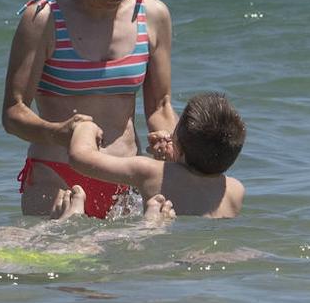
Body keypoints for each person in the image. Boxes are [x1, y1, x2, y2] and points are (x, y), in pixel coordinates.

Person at [2, 0, 176, 218]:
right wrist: (60, 132)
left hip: (127, 177)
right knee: (66, 268)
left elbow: (161, 106)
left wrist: (165, 135)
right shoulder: (44, 17)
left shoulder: (153, 15)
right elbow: (13, 113)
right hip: (57, 177)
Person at [67, 91, 246, 218]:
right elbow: (192, 185)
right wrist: (175, 158)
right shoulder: (235, 191)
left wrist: (84, 128)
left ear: (179, 147)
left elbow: (81, 158)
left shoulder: (150, 171)